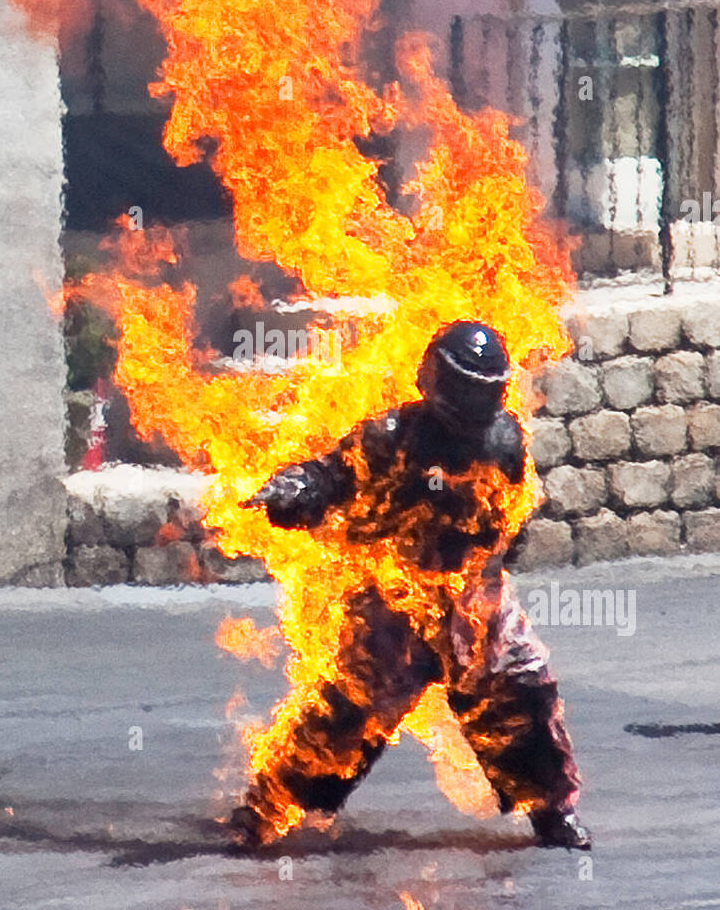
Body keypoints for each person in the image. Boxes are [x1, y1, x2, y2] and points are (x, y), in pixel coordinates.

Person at [231, 320, 590, 850]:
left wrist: (487, 573)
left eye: (482, 388)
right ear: (435, 382)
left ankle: (551, 813)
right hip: (398, 599)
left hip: (473, 600)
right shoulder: (390, 436)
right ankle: (267, 810)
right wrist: (297, 488)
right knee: (350, 710)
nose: (472, 401)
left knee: (522, 696)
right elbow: (333, 475)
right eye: (463, 386)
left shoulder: (506, 440)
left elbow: (513, 519)